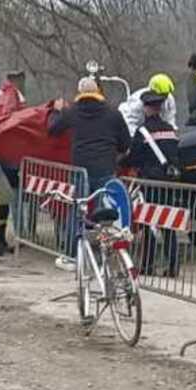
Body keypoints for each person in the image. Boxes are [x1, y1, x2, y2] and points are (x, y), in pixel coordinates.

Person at [49, 77, 131, 262]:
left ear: (80, 92)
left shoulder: (72, 112)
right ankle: (106, 255)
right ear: (98, 92)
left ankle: (72, 254)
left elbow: (53, 129)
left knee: (77, 211)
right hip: (106, 170)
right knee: (105, 213)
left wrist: (56, 111)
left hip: (81, 171)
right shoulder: (113, 113)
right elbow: (126, 143)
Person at [125, 90, 180, 276]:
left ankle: (147, 266)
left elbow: (133, 157)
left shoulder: (143, 131)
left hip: (149, 182)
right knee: (168, 224)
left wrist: (120, 162)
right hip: (169, 183)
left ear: (146, 108)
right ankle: (173, 266)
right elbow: (176, 155)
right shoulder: (170, 130)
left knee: (148, 222)